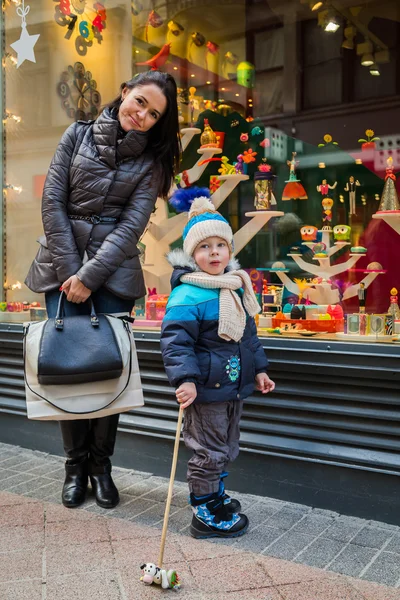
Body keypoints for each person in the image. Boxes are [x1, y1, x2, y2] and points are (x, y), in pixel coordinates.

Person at [25, 71, 181, 509]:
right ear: (126, 90)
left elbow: (132, 225)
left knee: (107, 369)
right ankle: (74, 467)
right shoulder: (76, 135)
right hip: (59, 266)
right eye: (141, 103)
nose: (143, 116)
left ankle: (101, 467)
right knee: (68, 367)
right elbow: (52, 201)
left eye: (154, 114)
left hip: (113, 277)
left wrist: (90, 277)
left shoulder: (151, 162)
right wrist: (71, 271)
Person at [160, 187, 275, 539]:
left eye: (220, 245)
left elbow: (247, 336)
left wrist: (259, 369)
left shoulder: (235, 286)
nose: (214, 252)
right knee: (207, 450)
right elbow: (176, 343)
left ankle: (216, 494)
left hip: (233, 387)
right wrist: (186, 380)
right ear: (193, 254)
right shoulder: (187, 293)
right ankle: (204, 511)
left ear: (229, 249)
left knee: (226, 447)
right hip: (206, 390)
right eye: (204, 247)